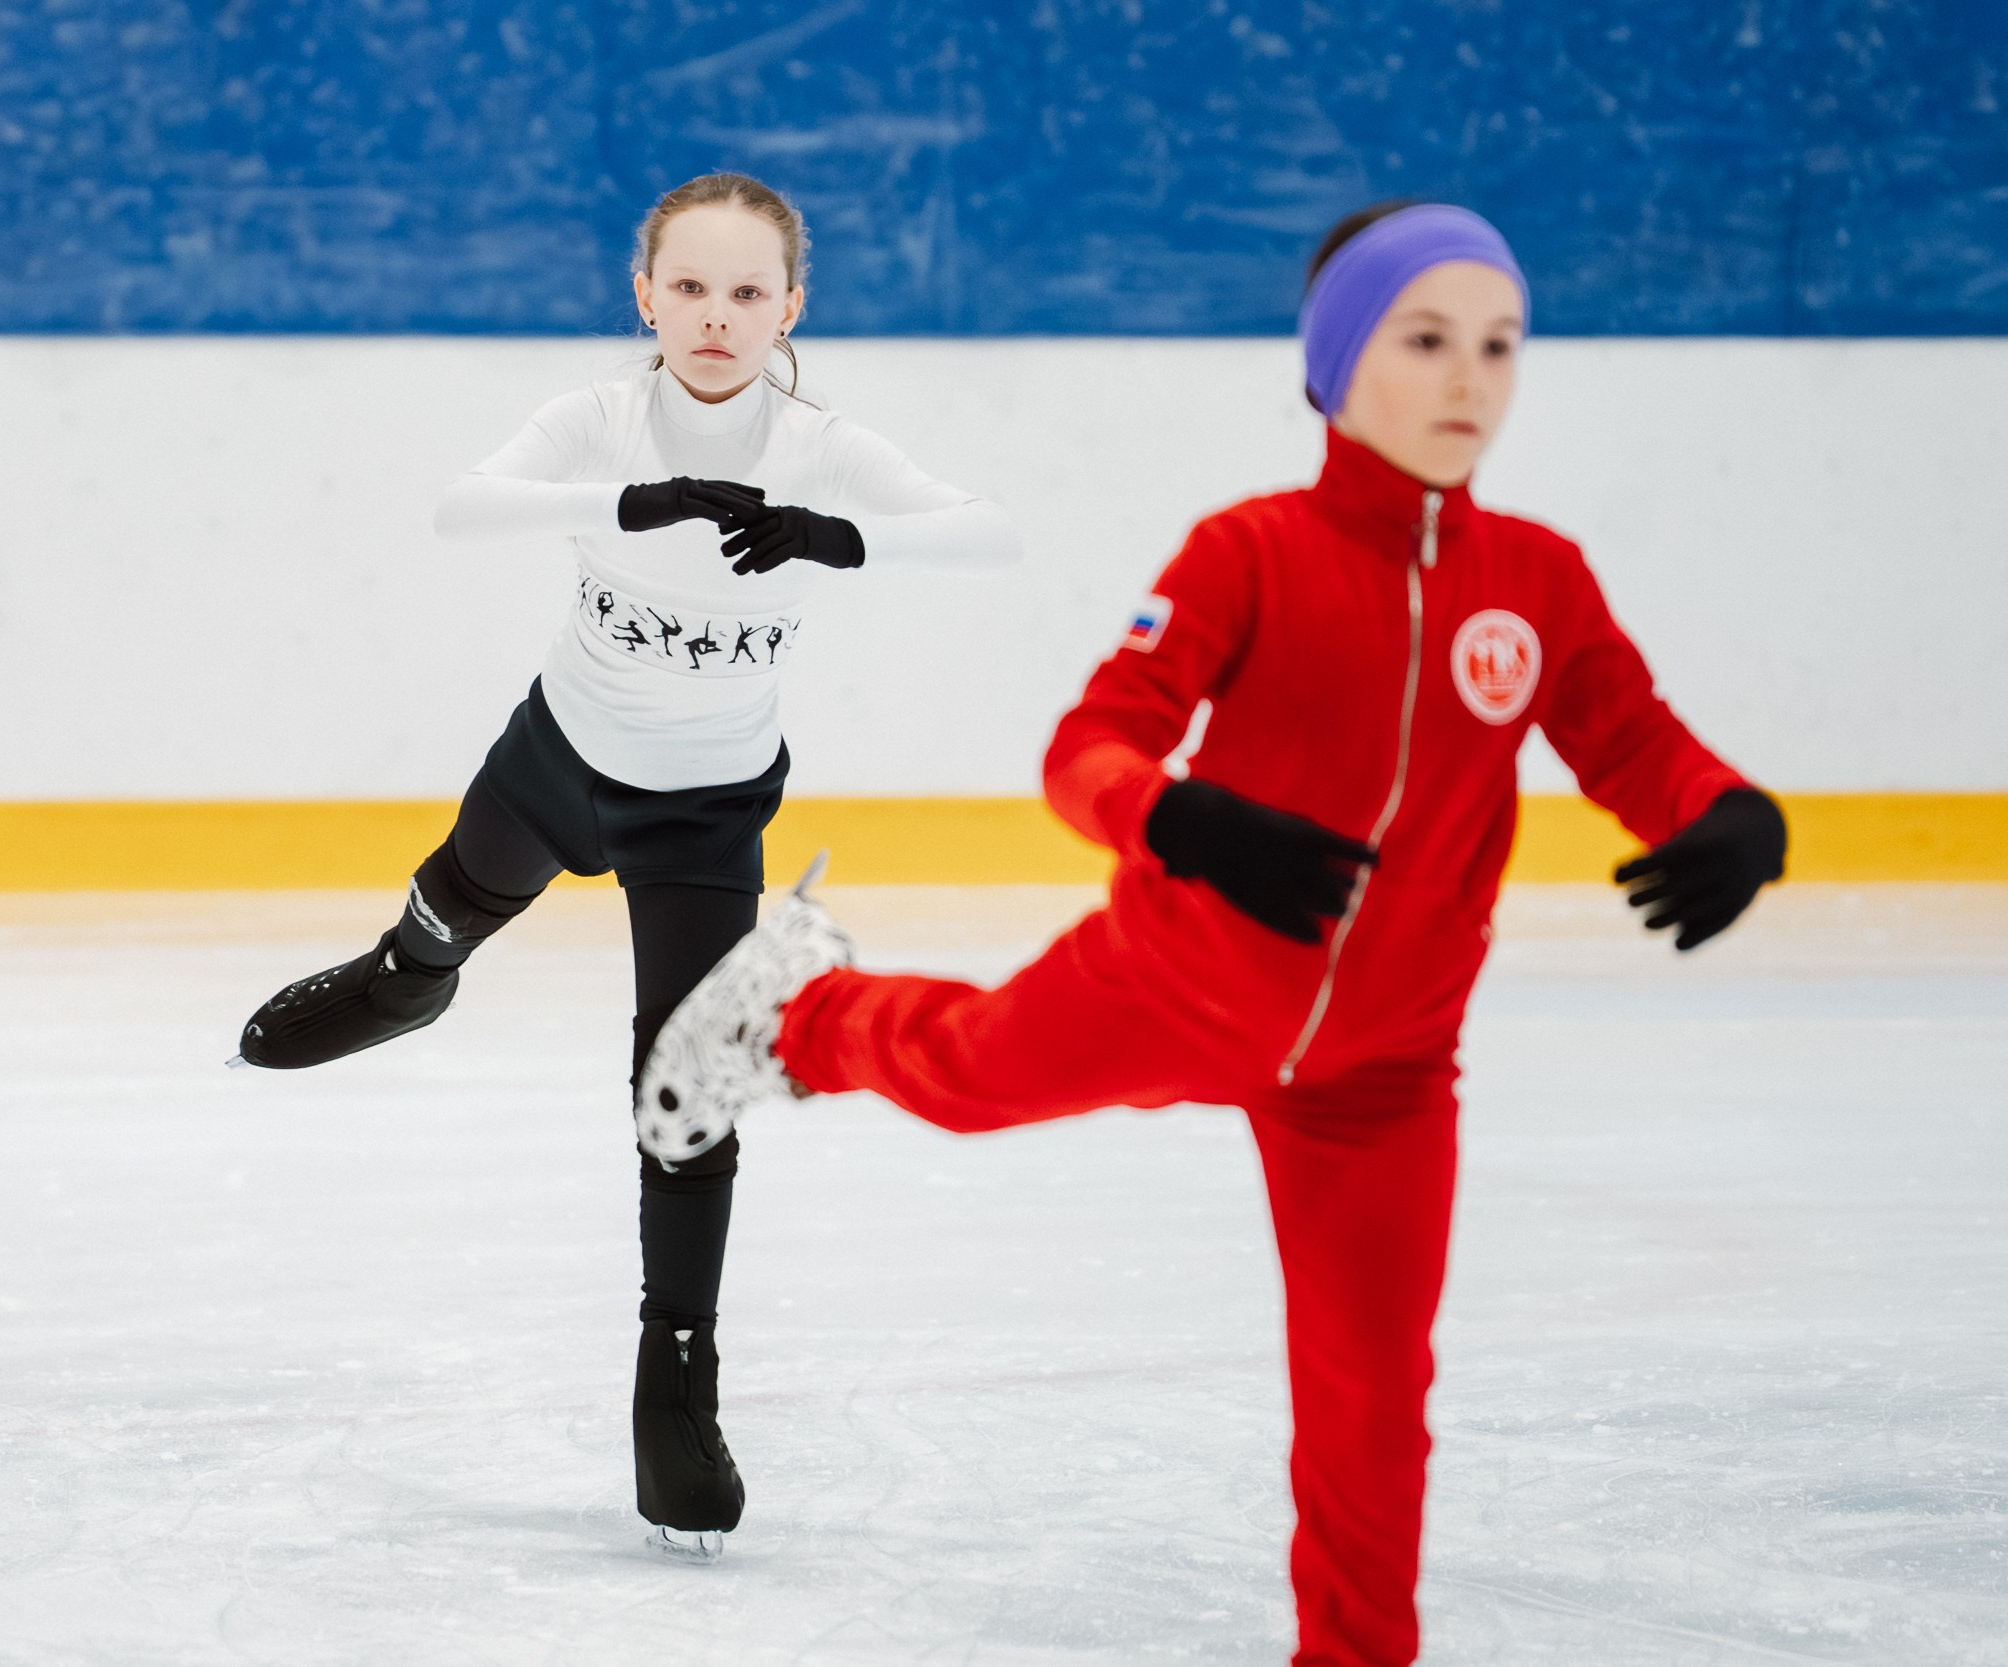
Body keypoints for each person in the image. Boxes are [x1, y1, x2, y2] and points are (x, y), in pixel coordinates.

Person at [636, 202, 1786, 1659]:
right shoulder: (1252, 553)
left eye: (1498, 346)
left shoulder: (1537, 580)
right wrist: (1176, 818)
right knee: (973, 1075)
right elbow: (1089, 748)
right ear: (1336, 363)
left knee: (1374, 1396)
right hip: (1173, 980)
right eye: (1424, 340)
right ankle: (798, 1015)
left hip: (1383, 1073)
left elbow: (1634, 738)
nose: (1467, 380)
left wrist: (1732, 813)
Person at [229, 172, 1020, 1559]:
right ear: (645, 294)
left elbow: (988, 532)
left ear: (793, 308)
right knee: (449, 908)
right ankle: (405, 983)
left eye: (750, 293)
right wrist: (631, 499)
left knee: (687, 1084)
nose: (719, 318)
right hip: (559, 760)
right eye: (692, 288)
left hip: (705, 818)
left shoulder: (820, 445)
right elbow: (458, 508)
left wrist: (840, 536)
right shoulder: (597, 421)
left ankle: (677, 1382)